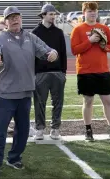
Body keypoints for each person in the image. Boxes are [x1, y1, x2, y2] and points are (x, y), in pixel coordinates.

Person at [0, 6, 58, 177]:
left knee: (23, 130)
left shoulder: (30, 37)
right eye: (11, 18)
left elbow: (46, 50)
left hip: (26, 93)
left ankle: (14, 158)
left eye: (17, 16)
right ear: (6, 21)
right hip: (5, 94)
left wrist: (52, 53)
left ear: (21, 18)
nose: (14, 20)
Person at [70, 1, 110, 142]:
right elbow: (74, 50)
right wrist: (89, 41)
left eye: (95, 11)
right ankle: (88, 130)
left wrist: (104, 46)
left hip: (102, 70)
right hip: (85, 71)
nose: (92, 13)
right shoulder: (78, 30)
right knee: (88, 101)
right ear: (84, 13)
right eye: (90, 11)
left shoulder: (103, 28)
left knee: (108, 100)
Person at [32, 4, 67, 140]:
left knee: (58, 102)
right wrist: (34, 73)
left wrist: (63, 72)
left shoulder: (58, 32)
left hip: (57, 72)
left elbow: (63, 53)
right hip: (40, 73)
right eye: (51, 14)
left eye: (54, 14)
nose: (53, 17)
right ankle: (40, 129)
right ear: (43, 15)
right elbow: (32, 54)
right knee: (39, 102)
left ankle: (55, 129)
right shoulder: (35, 32)